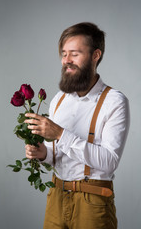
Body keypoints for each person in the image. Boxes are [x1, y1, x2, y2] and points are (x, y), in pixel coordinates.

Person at [24, 22, 130, 229]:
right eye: (64, 54)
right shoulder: (59, 100)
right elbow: (58, 156)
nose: (66, 61)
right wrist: (43, 153)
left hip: (92, 201)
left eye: (74, 54)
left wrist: (60, 134)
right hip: (56, 195)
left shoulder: (114, 101)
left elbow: (109, 161)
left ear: (95, 55)